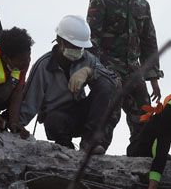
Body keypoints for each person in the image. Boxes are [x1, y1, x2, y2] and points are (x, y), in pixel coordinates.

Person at [88, 0, 162, 150]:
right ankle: (92, 150)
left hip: (133, 68)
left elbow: (149, 41)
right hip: (107, 67)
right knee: (108, 111)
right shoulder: (100, 0)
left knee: (144, 112)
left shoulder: (142, 5)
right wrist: (95, 71)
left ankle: (142, 151)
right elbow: (91, 39)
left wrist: (153, 76)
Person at [20, 16, 121, 153]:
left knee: (106, 87)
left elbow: (113, 81)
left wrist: (88, 72)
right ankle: (65, 148)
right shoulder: (43, 65)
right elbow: (29, 101)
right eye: (74, 46)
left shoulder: (87, 59)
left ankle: (90, 144)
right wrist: (16, 125)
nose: (78, 50)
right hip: (58, 118)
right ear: (60, 41)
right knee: (54, 119)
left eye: (81, 47)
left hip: (83, 115)